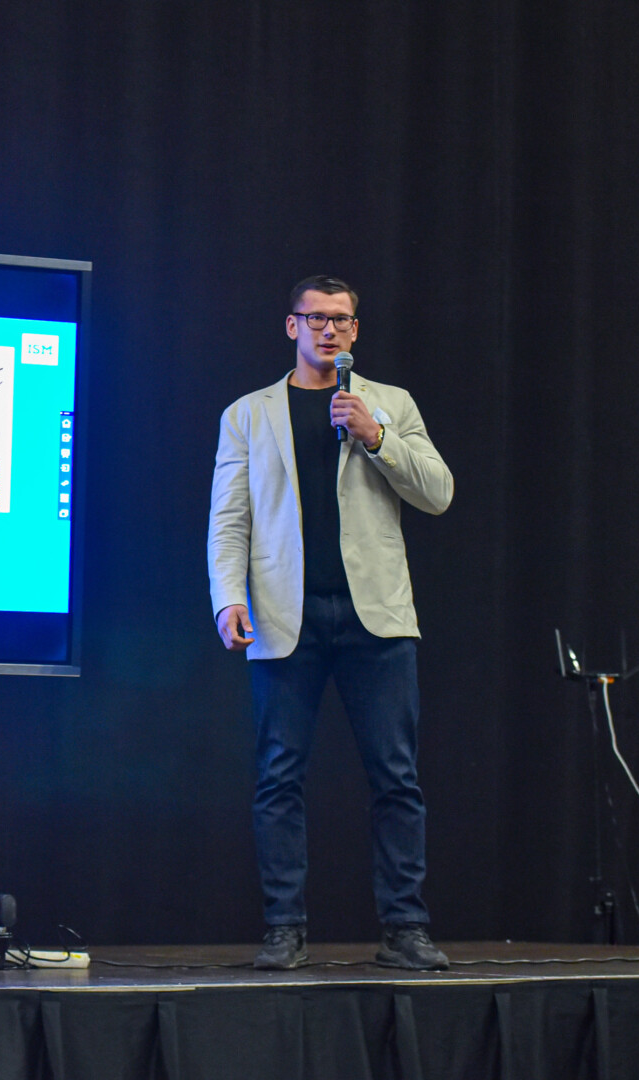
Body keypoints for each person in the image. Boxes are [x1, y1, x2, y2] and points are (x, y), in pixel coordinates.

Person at [206, 275, 454, 971]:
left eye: (341, 320)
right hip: (285, 614)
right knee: (278, 777)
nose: (329, 330)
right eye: (315, 318)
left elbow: (438, 493)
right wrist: (227, 598)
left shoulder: (389, 404)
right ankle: (284, 927)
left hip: (377, 616)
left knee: (397, 777)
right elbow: (229, 517)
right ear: (292, 326)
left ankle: (405, 927)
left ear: (355, 330)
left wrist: (376, 436)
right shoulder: (248, 414)